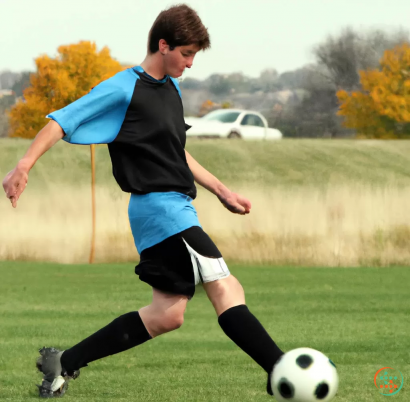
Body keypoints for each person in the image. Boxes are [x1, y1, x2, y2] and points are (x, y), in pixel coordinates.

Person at [2, 4, 284, 398]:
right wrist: (24, 165)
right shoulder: (123, 87)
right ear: (163, 44)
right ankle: (280, 369)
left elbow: (177, 151)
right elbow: (61, 120)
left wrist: (222, 190)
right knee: (225, 287)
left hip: (169, 209)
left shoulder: (172, 88)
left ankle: (63, 363)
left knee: (167, 314)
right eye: (185, 54)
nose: (189, 64)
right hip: (163, 209)